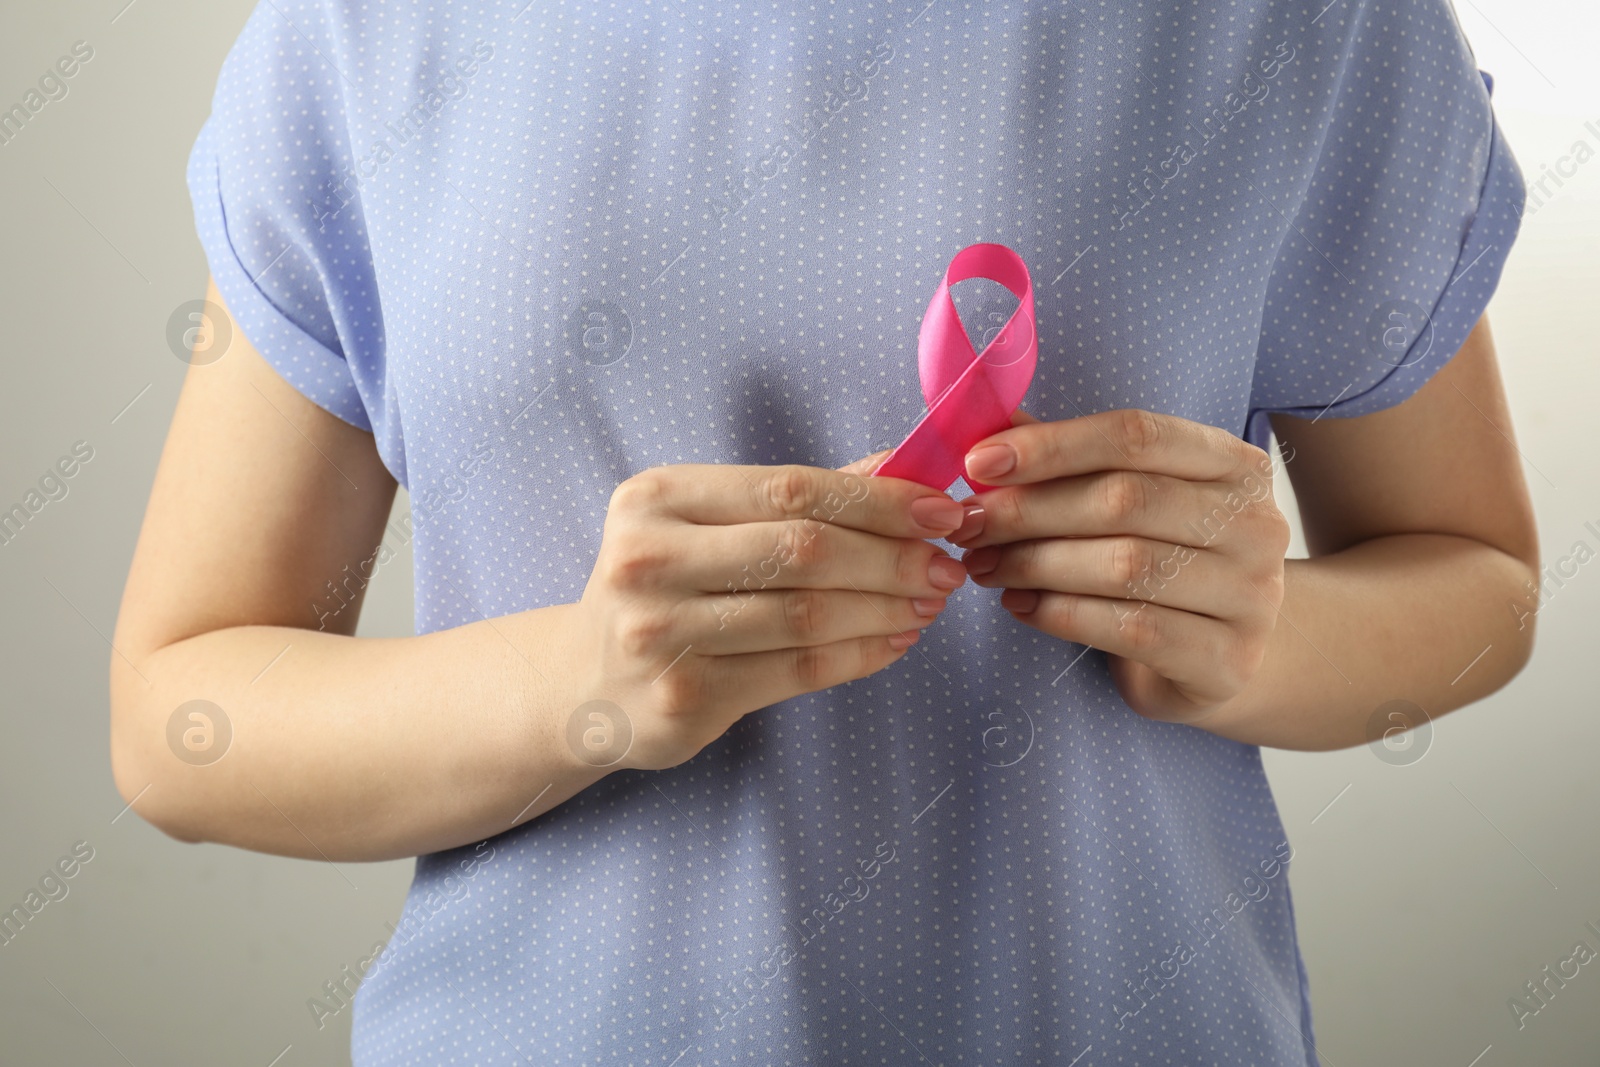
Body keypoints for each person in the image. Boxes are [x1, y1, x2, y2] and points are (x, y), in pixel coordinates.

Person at [111, 0, 1539, 1062]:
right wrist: (581, 687)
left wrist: (1268, 635)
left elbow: (1477, 577)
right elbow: (183, 706)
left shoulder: (1308, 22)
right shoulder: (369, 36)